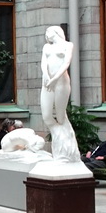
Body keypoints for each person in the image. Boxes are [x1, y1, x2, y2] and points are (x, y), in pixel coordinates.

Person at [40, 25, 81, 162]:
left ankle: (67, 149)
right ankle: (60, 141)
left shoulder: (68, 45)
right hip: (47, 83)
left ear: (56, 32)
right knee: (46, 116)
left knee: (61, 117)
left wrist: (55, 79)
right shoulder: (47, 47)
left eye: (48, 32)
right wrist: (47, 76)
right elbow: (43, 63)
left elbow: (66, 63)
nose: (46, 35)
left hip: (61, 83)